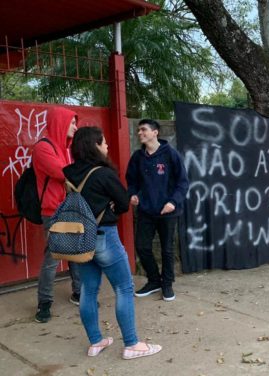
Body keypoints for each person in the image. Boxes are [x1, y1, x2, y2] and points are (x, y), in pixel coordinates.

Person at [64, 127, 162, 359]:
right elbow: (124, 202)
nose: (107, 146)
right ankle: (131, 344)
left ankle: (96, 342)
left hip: (81, 239)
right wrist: (113, 208)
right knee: (124, 287)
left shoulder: (68, 172)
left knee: (88, 289)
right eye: (104, 142)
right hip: (104, 235)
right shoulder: (103, 173)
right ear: (94, 145)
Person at [126, 119, 189, 301]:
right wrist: (133, 194)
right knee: (142, 247)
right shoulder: (138, 157)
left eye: (144, 130)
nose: (140, 133)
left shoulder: (170, 154)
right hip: (146, 211)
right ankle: (154, 280)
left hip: (168, 211)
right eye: (138, 130)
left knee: (167, 250)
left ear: (155, 133)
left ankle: (167, 284)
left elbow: (183, 182)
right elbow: (131, 181)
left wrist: (173, 202)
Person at [33, 107, 80, 323]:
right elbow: (62, 173)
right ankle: (44, 303)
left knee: (76, 254)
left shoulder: (65, 149)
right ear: (60, 123)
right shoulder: (43, 148)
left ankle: (78, 292)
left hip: (69, 208)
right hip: (53, 211)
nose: (75, 127)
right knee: (53, 258)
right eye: (71, 122)